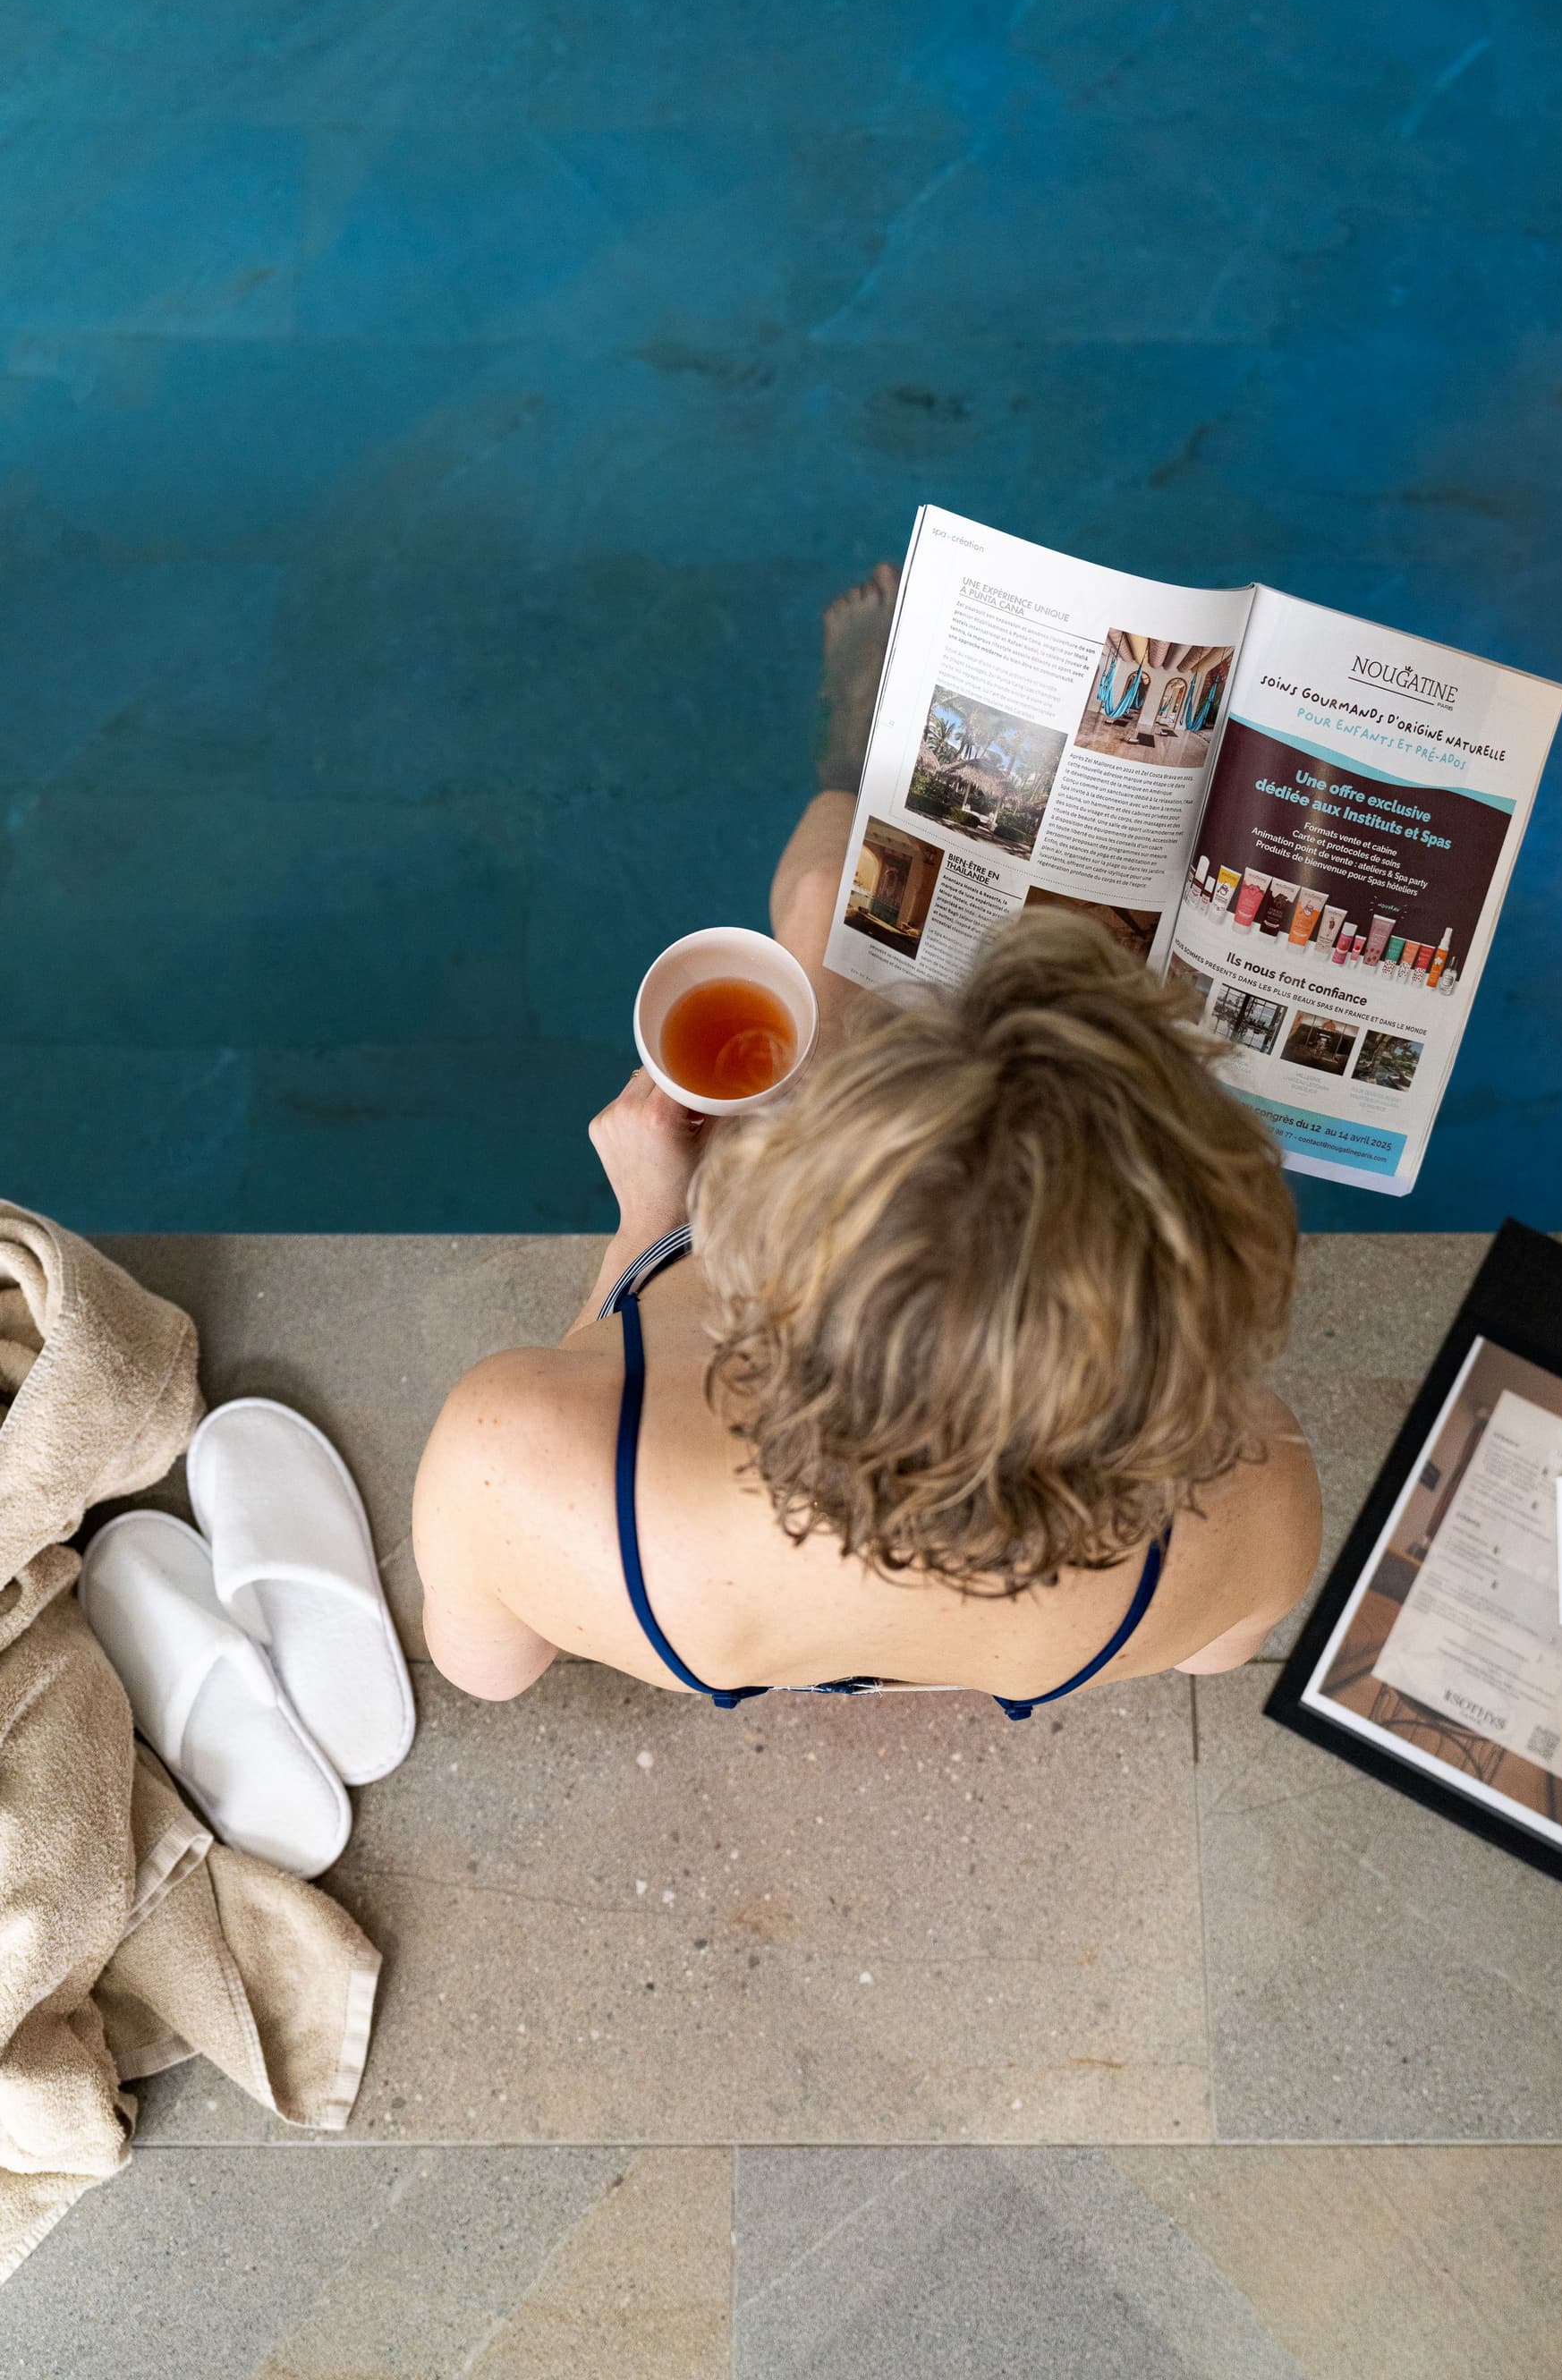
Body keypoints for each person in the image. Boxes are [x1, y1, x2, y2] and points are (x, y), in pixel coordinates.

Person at [413, 570, 1320, 1713]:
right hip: (1067, 1630)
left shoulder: (520, 1459)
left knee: (830, 925)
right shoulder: (1256, 1498)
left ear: (761, 1285)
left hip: (683, 1589)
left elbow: (483, 1669)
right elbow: (1214, 1653)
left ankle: (854, 768)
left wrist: (647, 1233)